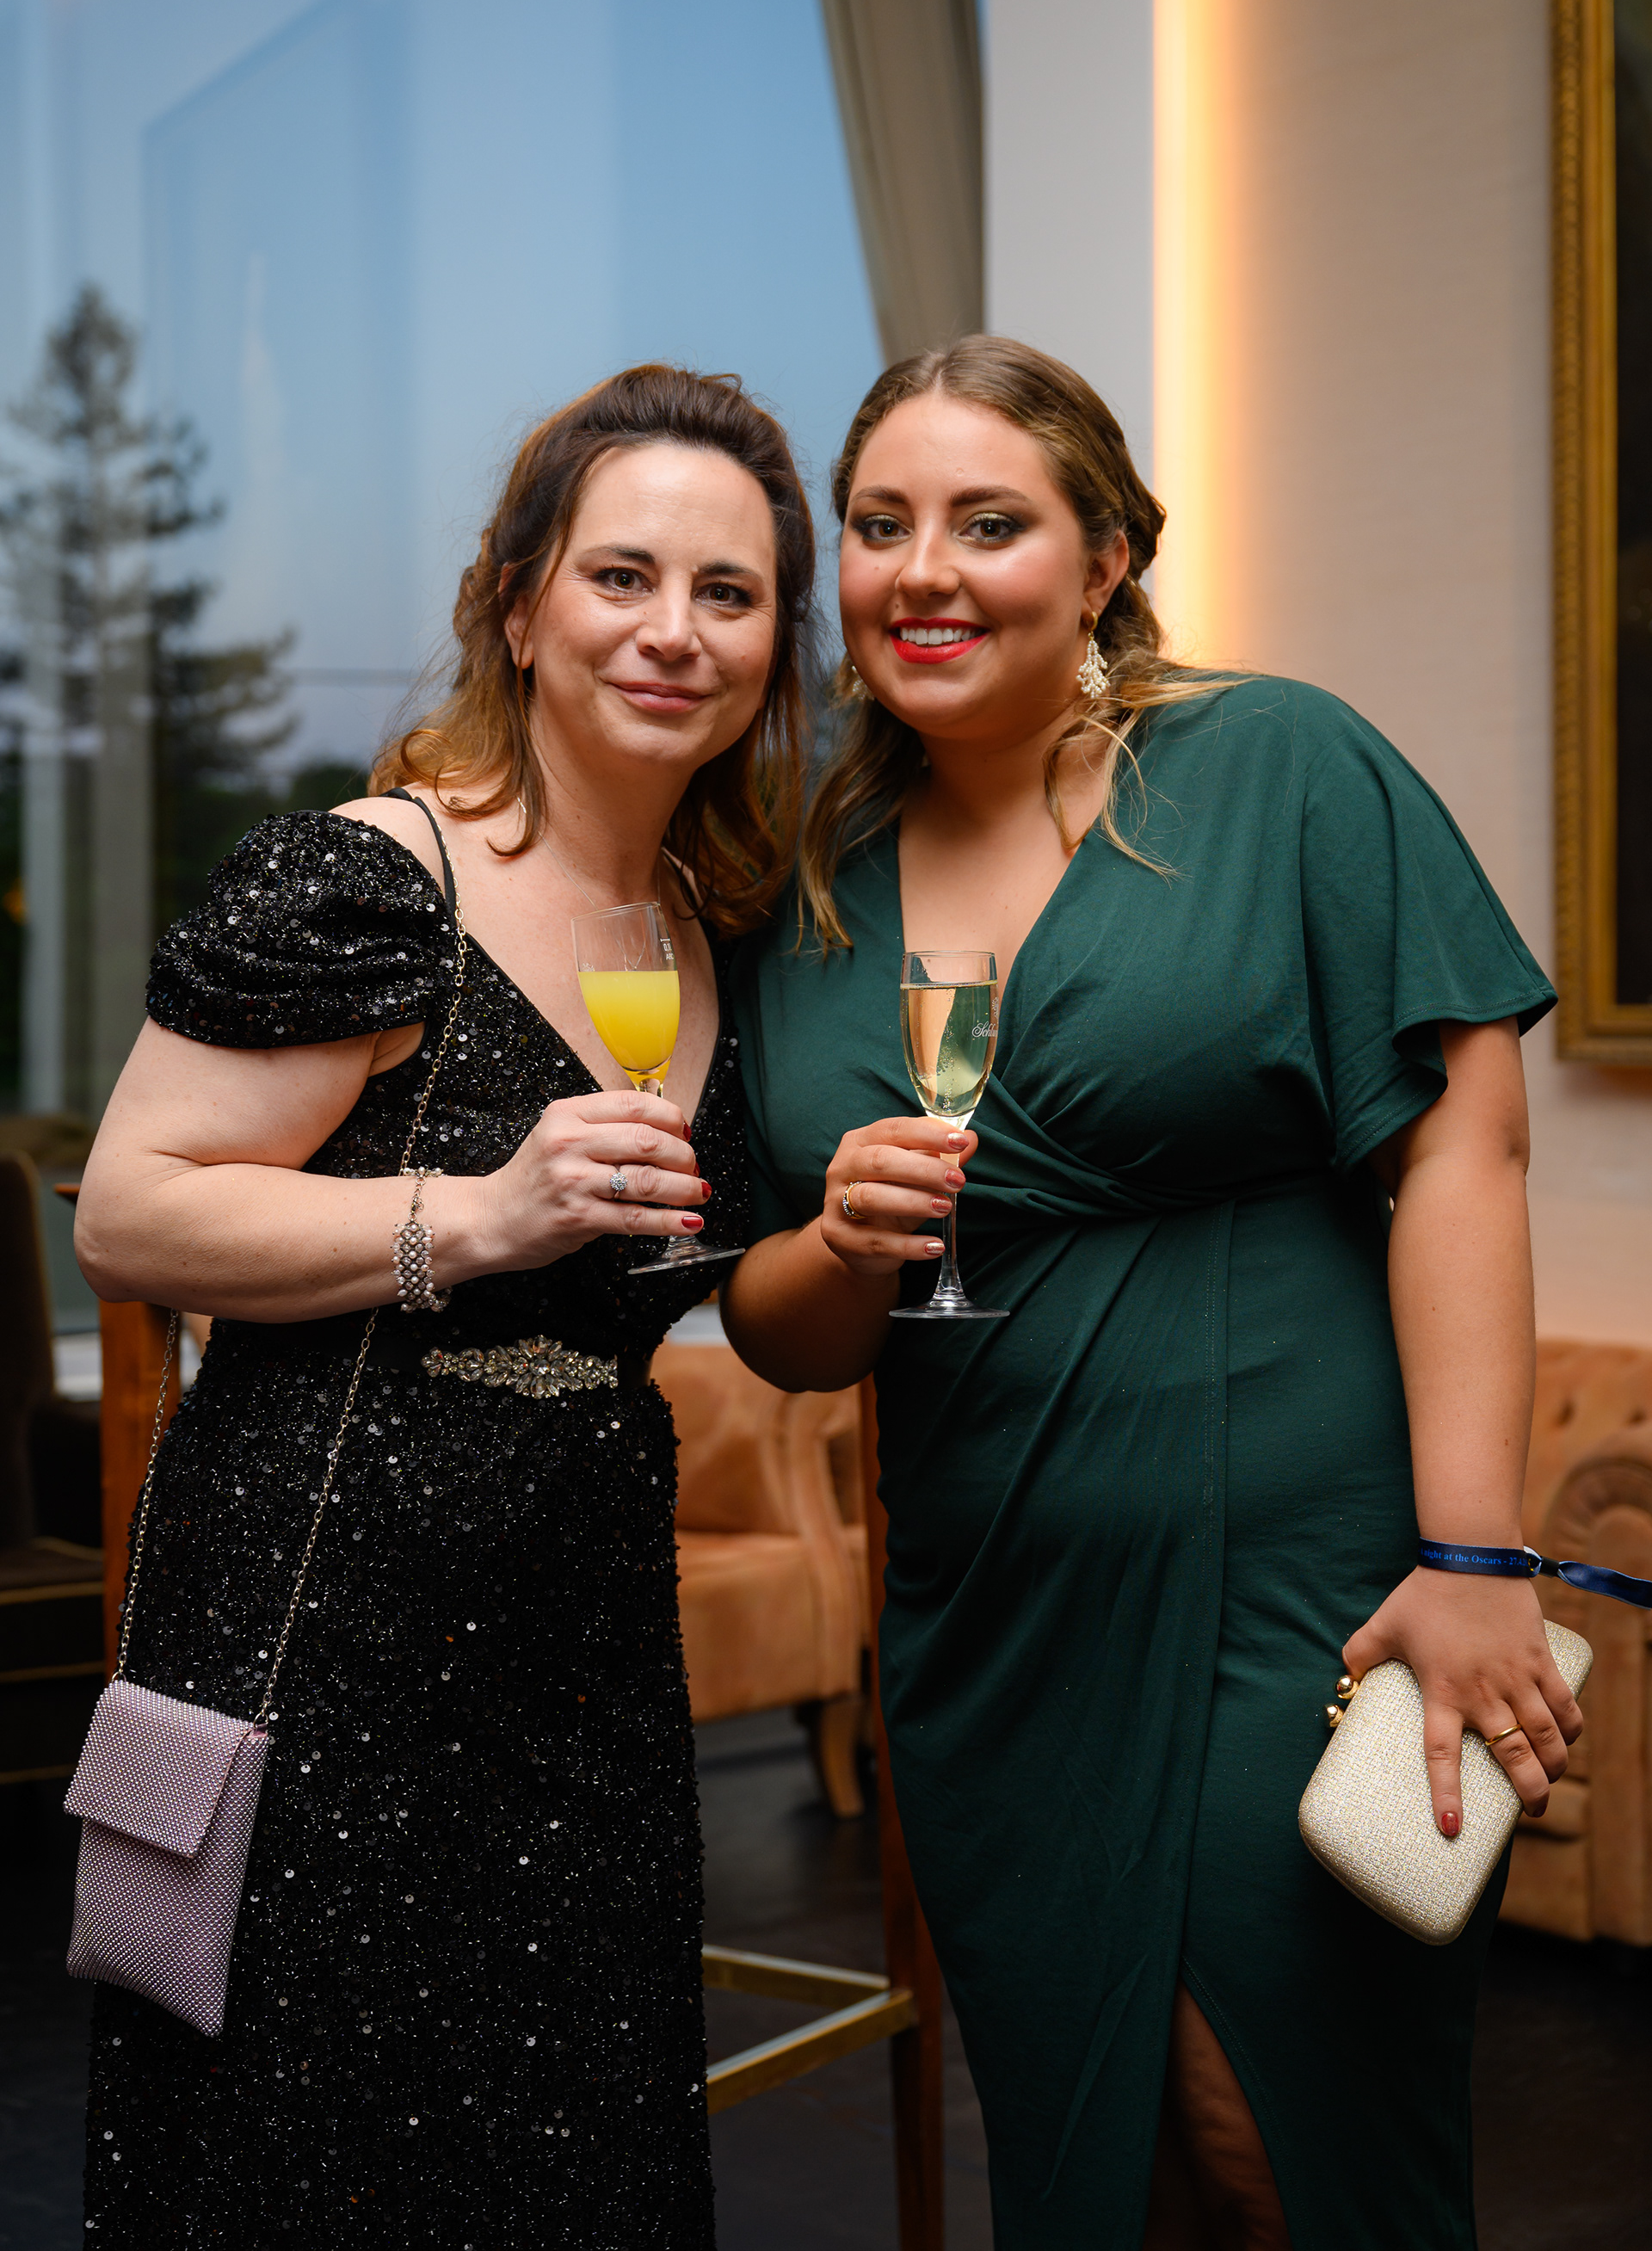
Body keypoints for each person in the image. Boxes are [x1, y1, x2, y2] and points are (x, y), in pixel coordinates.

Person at [721, 336, 1577, 2251]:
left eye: (989, 523)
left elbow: (1465, 1147)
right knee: (1107, 2165)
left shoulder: (1277, 767)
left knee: (1279, 2144)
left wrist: (1473, 1552)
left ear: (1106, 557)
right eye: (880, 525)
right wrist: (840, 1246)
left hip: (1304, 1583)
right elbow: (779, 1330)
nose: (924, 571)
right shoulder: (806, 886)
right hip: (993, 1620)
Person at [73, 364, 814, 2247]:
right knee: (311, 2162)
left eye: (727, 592)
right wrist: (477, 1217)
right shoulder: (372, 878)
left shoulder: (713, 932)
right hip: (318, 1643)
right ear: (517, 605)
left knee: (574, 2151)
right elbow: (132, 1214)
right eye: (622, 574)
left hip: (580, 1645)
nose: (674, 629)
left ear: (772, 646)